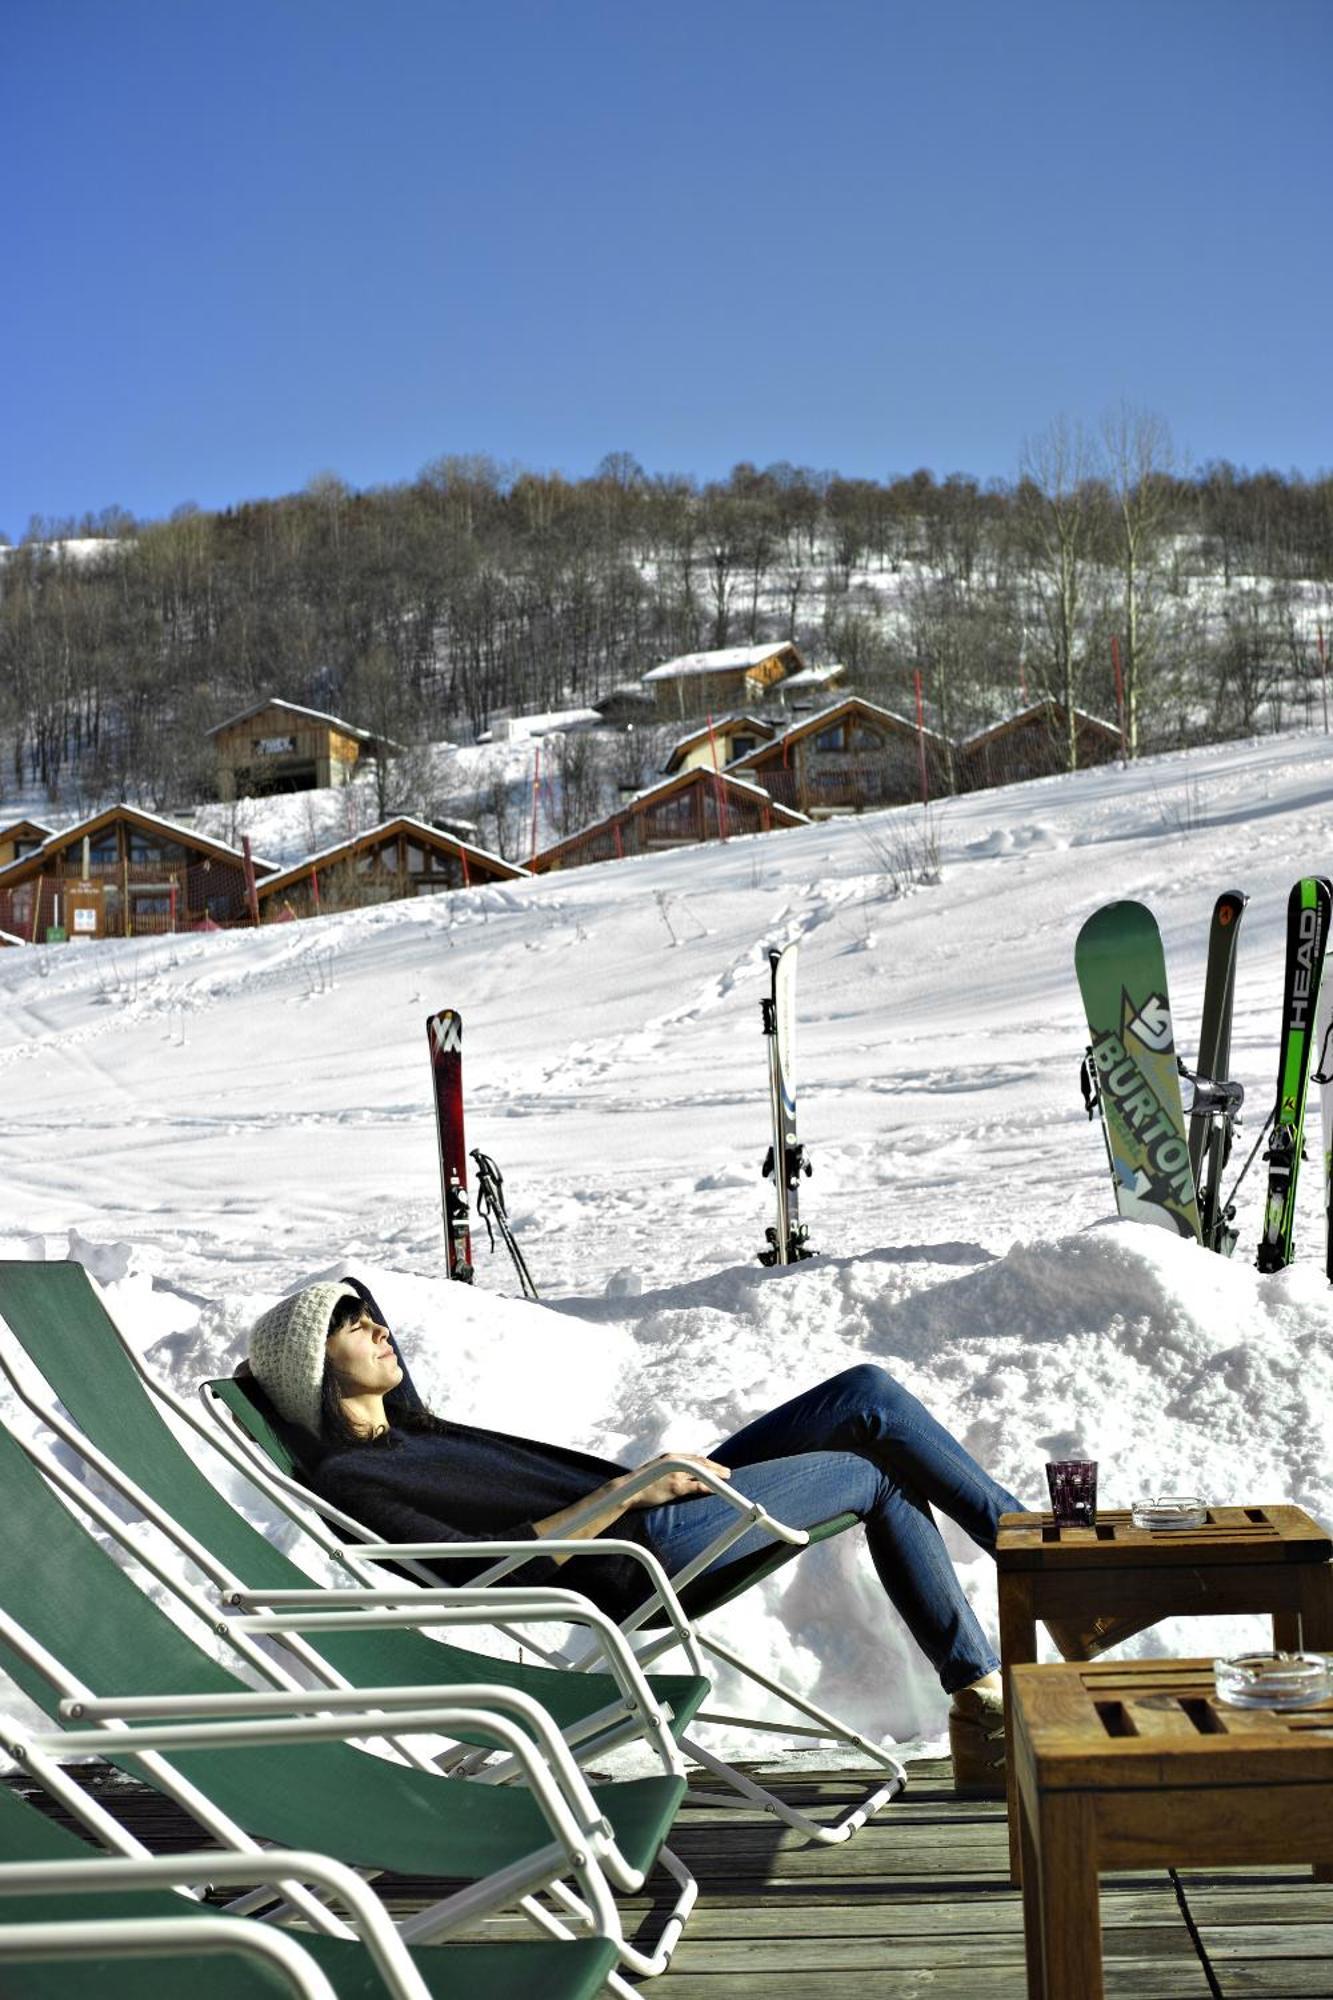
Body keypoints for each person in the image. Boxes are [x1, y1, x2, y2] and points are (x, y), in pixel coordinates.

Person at [246, 1278, 1117, 1794]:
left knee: (866, 1394)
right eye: (353, 1326)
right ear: (312, 1368)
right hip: (633, 1560)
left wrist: (637, 1488)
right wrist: (628, 1494)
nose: (379, 1329)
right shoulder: (351, 1476)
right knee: (874, 1472)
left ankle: (1017, 1612)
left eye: (373, 1316)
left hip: (647, 1517)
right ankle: (1028, 1618)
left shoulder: (418, 1434)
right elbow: (485, 1568)